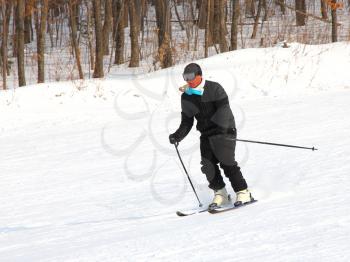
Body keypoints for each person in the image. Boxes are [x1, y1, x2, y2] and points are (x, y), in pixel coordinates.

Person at [169, 63, 254, 209]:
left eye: (191, 76)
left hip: (224, 129)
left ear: (199, 75)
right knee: (208, 165)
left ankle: (243, 192)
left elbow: (224, 109)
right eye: (185, 77)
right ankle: (220, 193)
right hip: (206, 134)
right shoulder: (187, 96)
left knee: (226, 162)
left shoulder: (214, 88)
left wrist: (221, 130)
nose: (188, 80)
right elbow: (187, 121)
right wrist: (177, 136)